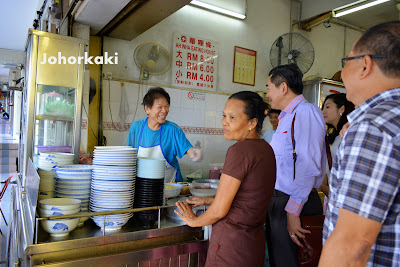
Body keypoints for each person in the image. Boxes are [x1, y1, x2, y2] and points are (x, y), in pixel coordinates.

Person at [320, 21, 400, 266]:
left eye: (345, 63)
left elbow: (351, 246)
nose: (342, 74)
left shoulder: (373, 127)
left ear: (365, 64)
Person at [175, 91, 276, 266]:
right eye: (224, 115)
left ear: (252, 122)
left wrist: (194, 221)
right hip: (253, 245)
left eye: (232, 117)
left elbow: (220, 210)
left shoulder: (239, 151)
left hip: (230, 245)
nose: (224, 122)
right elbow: (248, 198)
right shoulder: (267, 149)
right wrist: (209, 202)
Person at [265, 63, 326, 267]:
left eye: (268, 88)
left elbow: (308, 165)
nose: (267, 94)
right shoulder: (286, 117)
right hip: (281, 201)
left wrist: (292, 212)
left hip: (295, 203)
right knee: (279, 261)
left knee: (292, 262)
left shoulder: (306, 112)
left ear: (283, 87)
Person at [126, 87, 202, 182]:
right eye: (159, 107)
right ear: (147, 109)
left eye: (166, 106)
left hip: (170, 187)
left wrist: (194, 153)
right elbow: (128, 155)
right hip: (143, 187)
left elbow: (188, 149)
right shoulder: (136, 127)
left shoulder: (173, 130)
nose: (164, 110)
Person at [319, 93, 354, 199]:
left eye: (328, 107)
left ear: (341, 109)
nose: (323, 111)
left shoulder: (349, 135)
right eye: (323, 107)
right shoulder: (333, 137)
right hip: (331, 196)